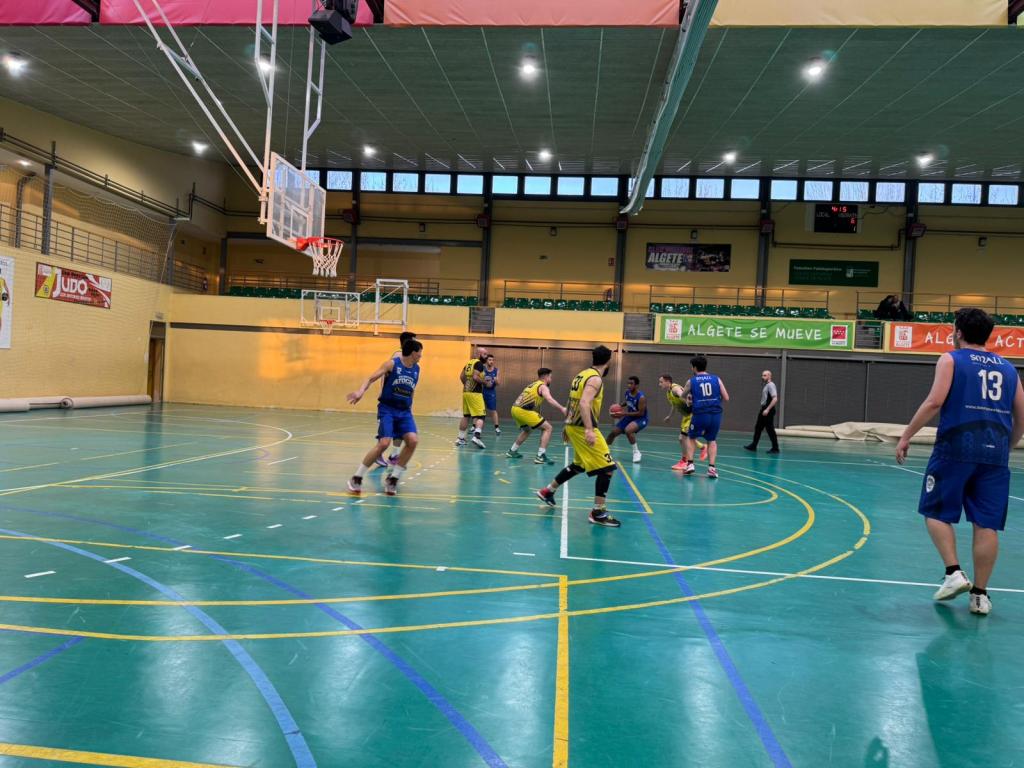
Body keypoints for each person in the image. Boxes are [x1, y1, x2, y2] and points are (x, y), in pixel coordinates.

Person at [897, 307, 1024, 616]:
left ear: (959, 332)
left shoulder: (951, 359)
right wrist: (1007, 446)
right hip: (995, 455)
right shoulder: (1009, 369)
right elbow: (1022, 415)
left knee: (935, 511)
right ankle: (980, 595)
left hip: (955, 447)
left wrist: (906, 435)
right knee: (987, 524)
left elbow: (934, 401)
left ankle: (953, 572)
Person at [536, 345, 620, 528]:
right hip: (583, 427)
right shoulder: (595, 379)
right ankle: (598, 512)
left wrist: (567, 424)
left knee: (579, 465)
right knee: (607, 468)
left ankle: (547, 491)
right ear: (608, 361)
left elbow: (571, 401)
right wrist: (589, 430)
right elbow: (583, 403)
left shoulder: (581, 375)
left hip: (574, 425)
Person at [346, 338, 423, 497]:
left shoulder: (417, 369)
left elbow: (412, 390)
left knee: (413, 441)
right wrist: (360, 392)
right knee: (384, 443)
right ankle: (356, 477)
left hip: (404, 412)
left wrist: (410, 407)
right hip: (388, 409)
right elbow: (371, 378)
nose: (421, 356)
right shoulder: (392, 364)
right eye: (419, 353)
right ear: (413, 353)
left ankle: (393, 479)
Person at [678, 354, 729, 478]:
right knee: (711, 440)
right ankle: (711, 468)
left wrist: (690, 399)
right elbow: (726, 397)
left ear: (694, 367)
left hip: (700, 413)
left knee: (691, 437)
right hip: (715, 414)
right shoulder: (717, 379)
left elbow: (682, 396)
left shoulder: (692, 381)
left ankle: (690, 464)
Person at [506, 367, 566, 464]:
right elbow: (550, 399)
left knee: (527, 430)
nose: (551, 379)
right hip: (523, 410)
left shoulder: (533, 384)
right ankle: (540, 456)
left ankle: (512, 451)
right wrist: (562, 408)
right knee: (548, 428)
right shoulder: (543, 386)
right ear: (546, 377)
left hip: (514, 409)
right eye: (550, 377)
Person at [377, 331, 417, 468]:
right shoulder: (398, 356)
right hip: (390, 401)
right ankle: (380, 454)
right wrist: (383, 391)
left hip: (401, 401)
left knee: (398, 429)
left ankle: (394, 455)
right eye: (413, 341)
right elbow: (385, 375)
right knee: (386, 431)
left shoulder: (410, 361)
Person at [659, 374, 706, 469]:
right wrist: (669, 416)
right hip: (686, 416)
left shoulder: (675, 389)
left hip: (692, 414)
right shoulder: (669, 393)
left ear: (668, 382)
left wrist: (688, 401)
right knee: (682, 438)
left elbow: (682, 394)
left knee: (685, 437)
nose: (659, 384)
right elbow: (674, 405)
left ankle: (687, 461)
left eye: (661, 382)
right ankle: (698, 450)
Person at [606, 375, 647, 464]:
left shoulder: (641, 398)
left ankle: (636, 452)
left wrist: (624, 413)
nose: (629, 385)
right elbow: (627, 401)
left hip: (641, 418)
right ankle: (604, 452)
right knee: (613, 433)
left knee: (628, 430)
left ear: (636, 385)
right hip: (629, 416)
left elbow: (640, 413)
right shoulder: (627, 392)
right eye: (628, 383)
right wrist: (619, 406)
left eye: (631, 384)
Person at [456, 346, 488, 449]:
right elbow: (475, 377)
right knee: (481, 416)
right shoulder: (479, 364)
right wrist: (485, 382)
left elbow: (461, 376)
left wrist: (467, 385)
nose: (486, 356)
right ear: (479, 354)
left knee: (466, 416)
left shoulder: (469, 363)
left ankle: (460, 438)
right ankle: (476, 437)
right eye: (484, 354)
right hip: (475, 393)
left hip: (466, 392)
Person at [744, 370, 780, 454]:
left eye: (764, 375)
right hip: (764, 409)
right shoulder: (767, 385)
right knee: (758, 427)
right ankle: (754, 445)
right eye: (762, 375)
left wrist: (767, 409)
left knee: (770, 429)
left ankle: (775, 448)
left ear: (769, 376)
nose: (762, 377)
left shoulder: (771, 385)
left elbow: (775, 399)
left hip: (768, 410)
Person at [483, 354, 501, 436]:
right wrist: (485, 382)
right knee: (480, 410)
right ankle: (474, 426)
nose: (491, 361)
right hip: (482, 391)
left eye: (492, 360)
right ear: (486, 361)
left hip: (491, 393)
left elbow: (498, 383)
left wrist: (496, 380)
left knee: (493, 410)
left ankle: (496, 428)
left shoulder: (496, 370)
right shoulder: (483, 369)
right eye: (490, 360)